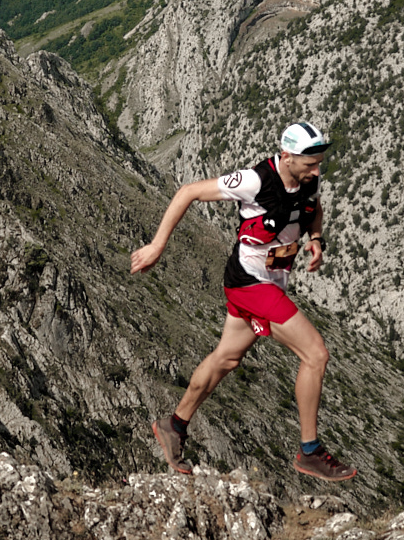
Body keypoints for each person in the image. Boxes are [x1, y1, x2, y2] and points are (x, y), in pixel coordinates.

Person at [130, 121, 356, 481]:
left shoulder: (308, 180)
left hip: (272, 281)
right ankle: (309, 451)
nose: (317, 172)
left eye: (319, 164)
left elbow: (313, 209)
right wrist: (157, 246)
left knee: (226, 358)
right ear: (286, 156)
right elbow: (188, 192)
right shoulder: (254, 181)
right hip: (249, 283)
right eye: (310, 164)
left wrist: (316, 240)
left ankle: (174, 425)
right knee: (315, 354)